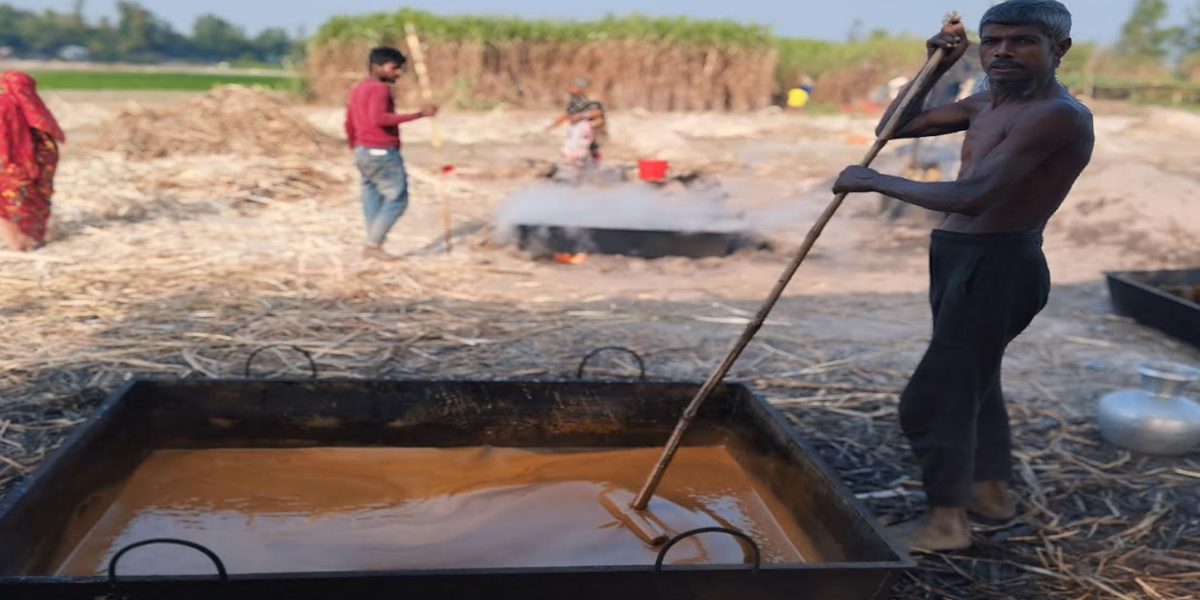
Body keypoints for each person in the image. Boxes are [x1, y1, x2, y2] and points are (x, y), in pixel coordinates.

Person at [832, 0, 1094, 552]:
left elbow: (976, 197)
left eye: (1021, 41)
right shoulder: (988, 102)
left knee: (935, 399)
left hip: (998, 263)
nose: (1002, 52)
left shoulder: (1055, 114)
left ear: (1058, 50)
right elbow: (894, 126)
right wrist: (939, 63)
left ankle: (945, 525)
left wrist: (876, 182)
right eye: (992, 41)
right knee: (976, 383)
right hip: (958, 256)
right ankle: (990, 496)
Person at [344, 46, 438, 262]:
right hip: (381, 151)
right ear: (376, 67)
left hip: (363, 151)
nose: (398, 73)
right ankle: (373, 245)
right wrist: (420, 115)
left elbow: (349, 122)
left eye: (400, 69)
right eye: (394, 68)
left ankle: (372, 243)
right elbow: (380, 119)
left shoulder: (358, 88)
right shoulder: (379, 89)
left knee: (373, 196)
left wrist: (356, 148)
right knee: (398, 198)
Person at [0, 71, 64, 252]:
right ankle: (31, 239)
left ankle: (18, 244)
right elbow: (51, 142)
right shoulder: (36, 108)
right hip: (37, 168)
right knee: (32, 202)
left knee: (8, 204)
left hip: (11, 166)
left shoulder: (4, 104)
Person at [546, 77, 607, 164]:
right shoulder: (575, 99)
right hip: (577, 129)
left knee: (589, 150)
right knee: (573, 150)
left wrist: (580, 116)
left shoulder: (592, 99)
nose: (570, 88)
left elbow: (597, 113)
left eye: (574, 86)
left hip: (591, 128)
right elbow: (568, 114)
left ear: (581, 88)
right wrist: (554, 124)